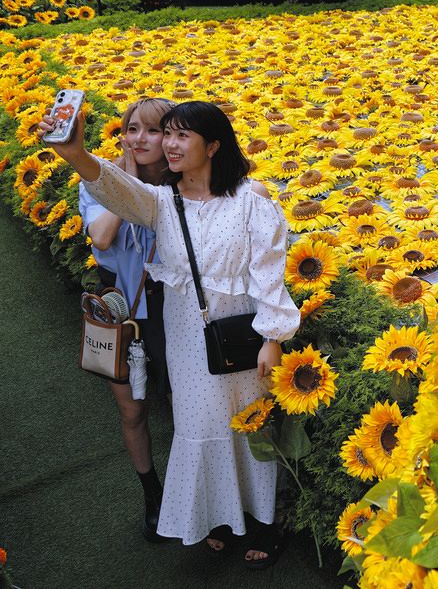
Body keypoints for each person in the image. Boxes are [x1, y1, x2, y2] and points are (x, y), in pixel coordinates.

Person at [41, 100, 300, 570]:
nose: (169, 145)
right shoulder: (160, 200)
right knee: (199, 427)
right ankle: (220, 520)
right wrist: (74, 153)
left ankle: (266, 523)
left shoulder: (250, 197)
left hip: (240, 334)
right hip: (185, 335)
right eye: (169, 135)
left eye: (182, 136)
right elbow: (114, 189)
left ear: (214, 145)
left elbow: (269, 273)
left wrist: (273, 337)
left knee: (252, 429)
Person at [78, 97, 174, 543]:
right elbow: (100, 235)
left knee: (185, 406)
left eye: (152, 130)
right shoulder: (100, 179)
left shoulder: (186, 184)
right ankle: (151, 494)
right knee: (131, 410)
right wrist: (125, 184)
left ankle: (192, 490)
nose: (140, 139)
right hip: (119, 309)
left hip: (173, 308)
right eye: (131, 129)